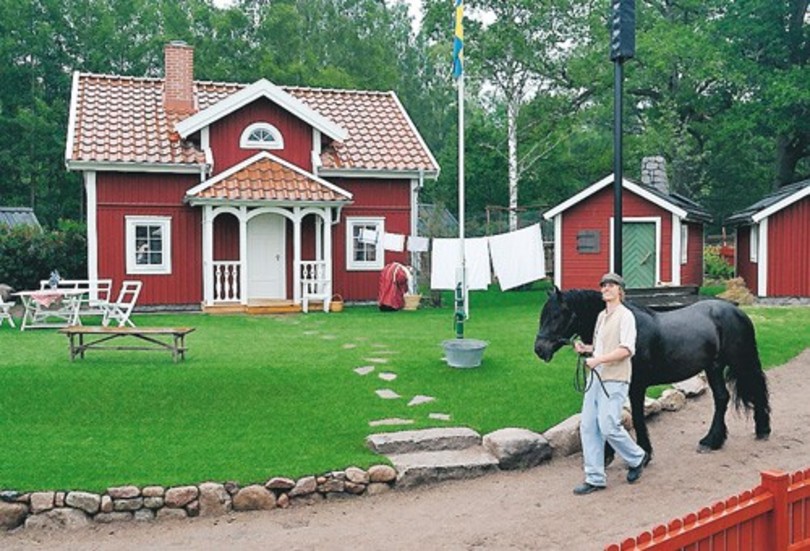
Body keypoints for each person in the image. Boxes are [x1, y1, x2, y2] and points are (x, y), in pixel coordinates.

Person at [571, 272, 649, 495]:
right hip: (595, 379)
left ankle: (636, 457)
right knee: (588, 426)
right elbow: (600, 347)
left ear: (620, 291)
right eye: (603, 285)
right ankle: (594, 477)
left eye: (611, 285)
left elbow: (626, 349)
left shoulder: (626, 317)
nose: (606, 288)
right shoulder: (601, 317)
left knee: (608, 425)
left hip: (615, 379)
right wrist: (586, 350)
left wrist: (598, 360)